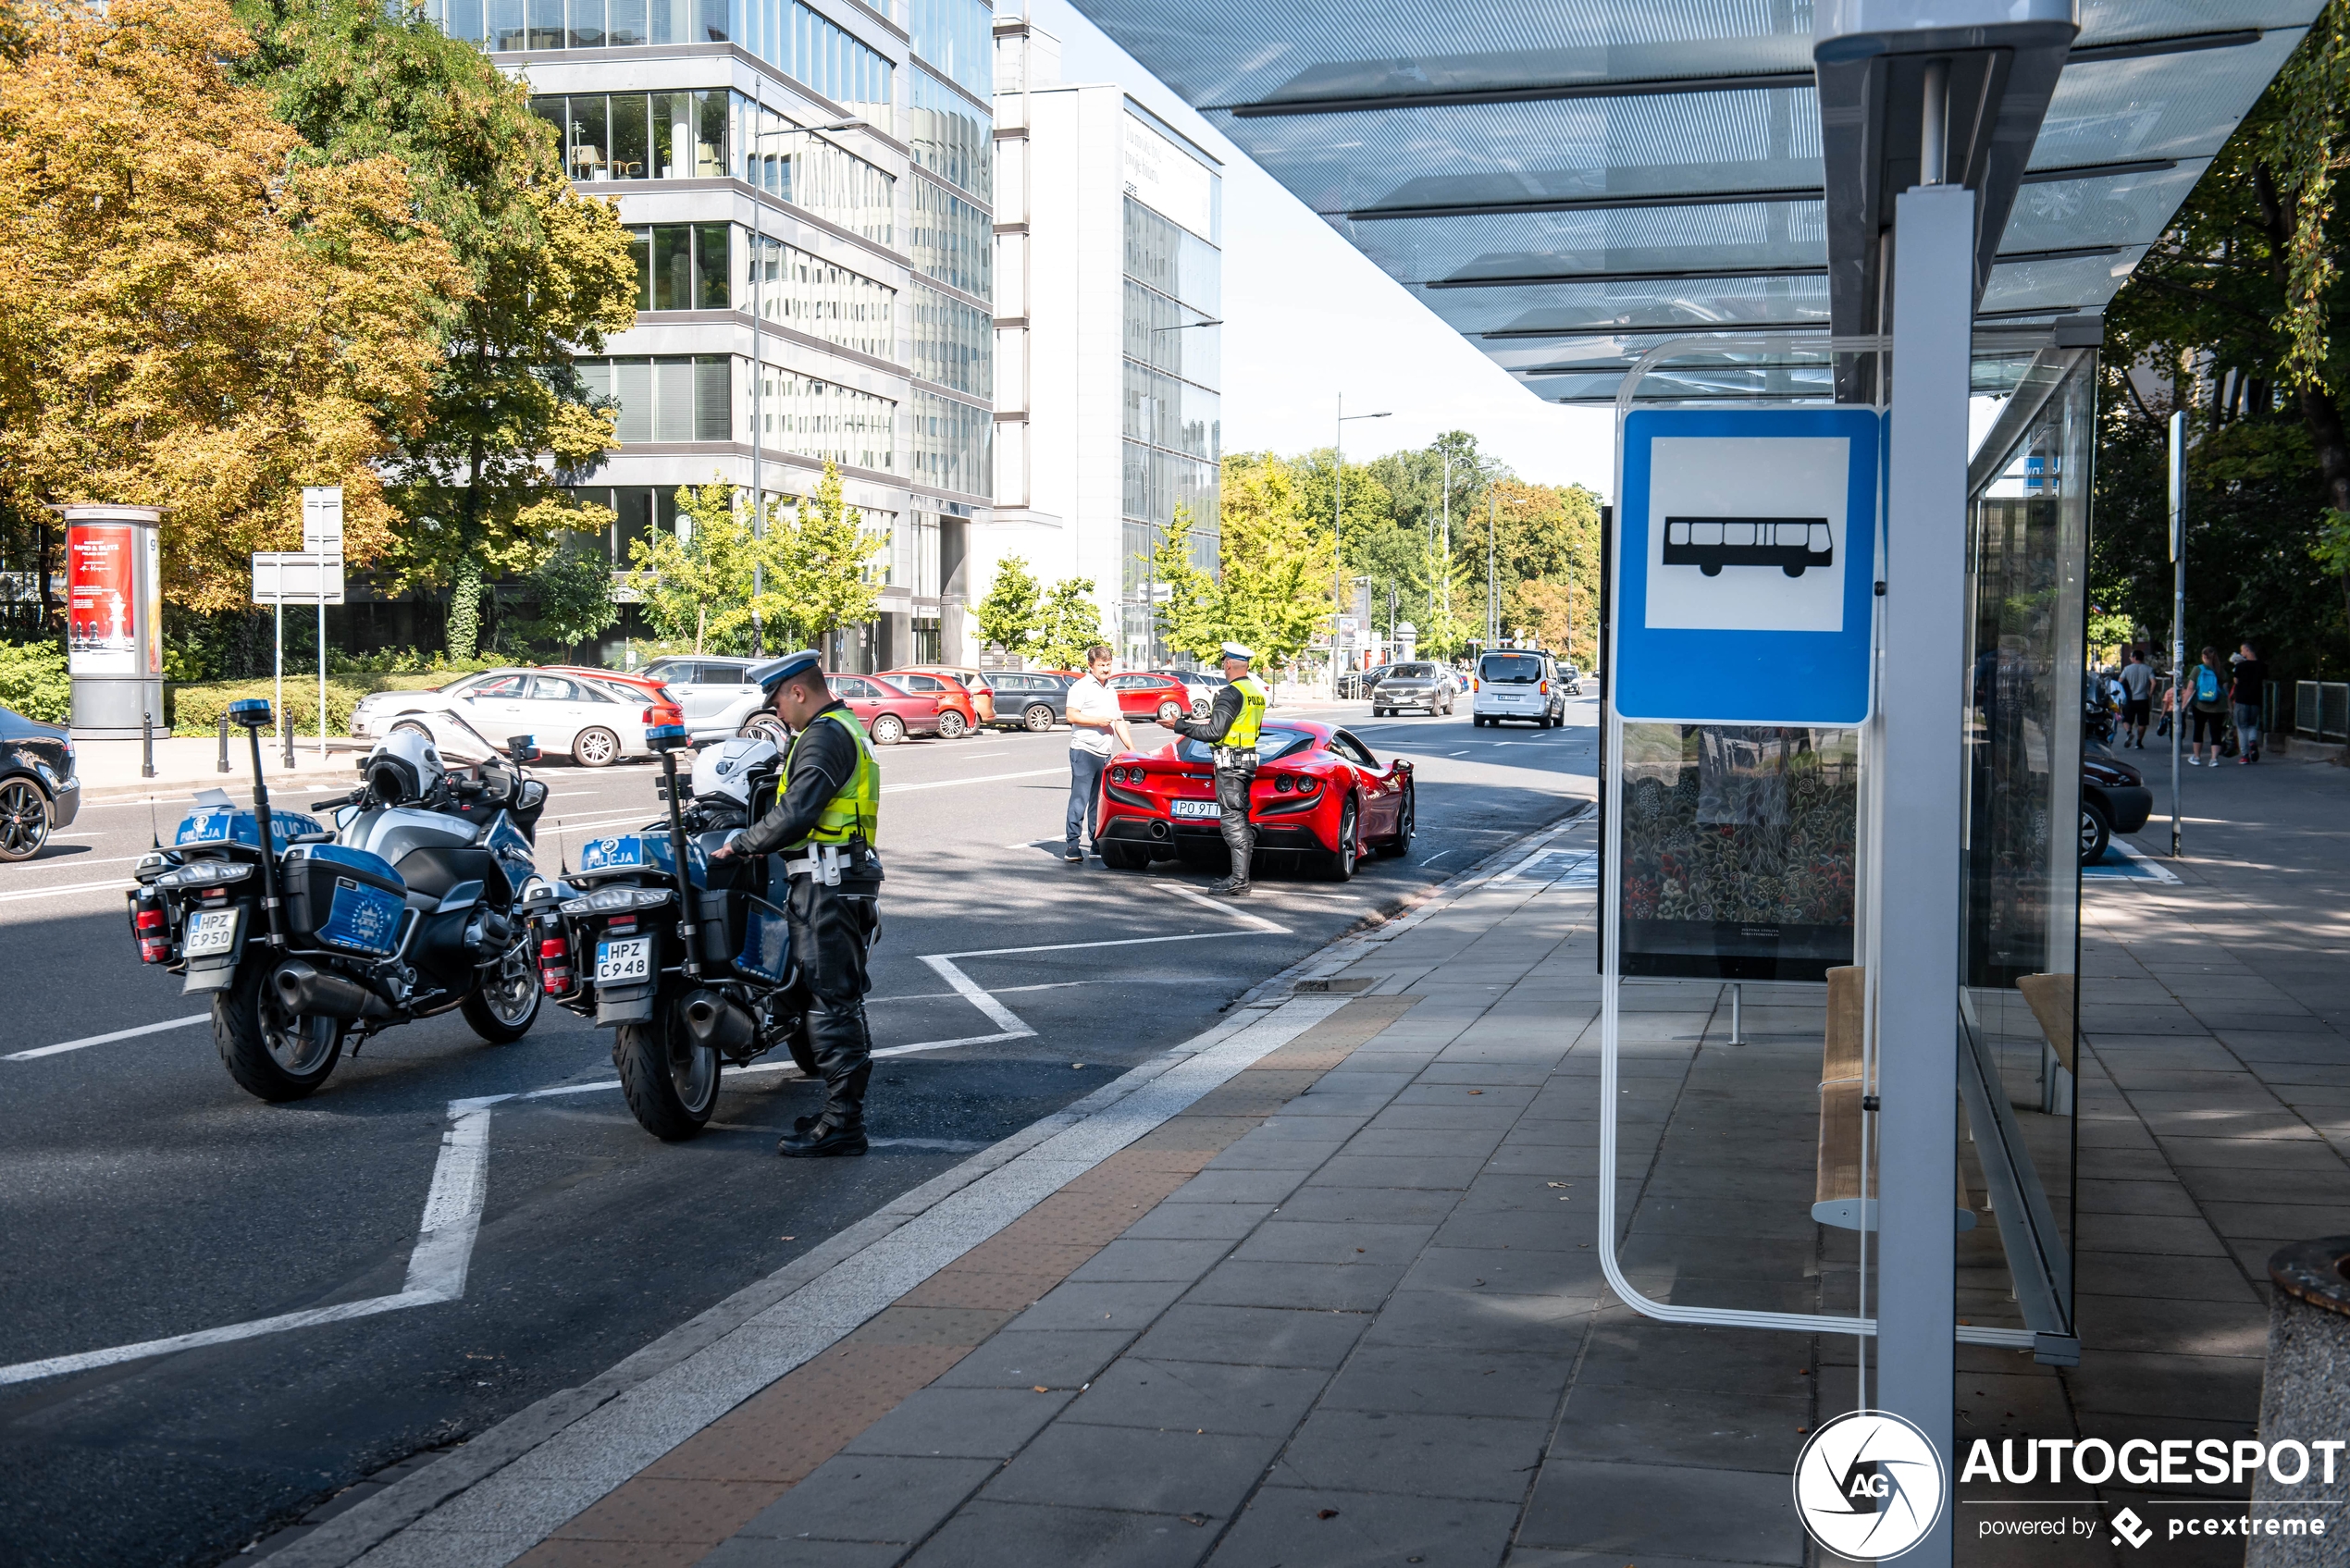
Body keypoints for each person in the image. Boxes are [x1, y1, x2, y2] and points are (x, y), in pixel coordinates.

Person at [711, 650, 882, 1157]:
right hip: (837, 878)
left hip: (828, 882)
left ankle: (843, 1125)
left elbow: (797, 812)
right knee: (831, 998)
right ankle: (838, 1113)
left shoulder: (825, 735)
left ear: (798, 692)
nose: (777, 714)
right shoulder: (841, 727)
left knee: (831, 1004)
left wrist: (740, 844)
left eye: (779, 703)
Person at [1170, 642, 1269, 896]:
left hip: (1231, 764)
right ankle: (1240, 878)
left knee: (1233, 822)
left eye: (1223, 661)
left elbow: (1215, 732)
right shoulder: (1254, 692)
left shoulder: (1231, 692)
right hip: (1245, 762)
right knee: (1240, 819)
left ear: (1227, 663)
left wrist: (1179, 725)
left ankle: (1239, 880)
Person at [1062, 644, 1127, 863]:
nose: (1106, 669)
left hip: (1104, 752)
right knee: (1079, 799)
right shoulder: (1081, 687)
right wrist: (1096, 721)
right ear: (1091, 665)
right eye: (1101, 665)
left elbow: (1118, 721)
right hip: (1084, 750)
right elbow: (1071, 715)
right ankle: (1072, 845)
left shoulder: (1110, 689)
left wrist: (1132, 749)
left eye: (1108, 665)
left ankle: (1096, 843)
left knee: (1098, 801)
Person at [2188, 645, 2230, 766]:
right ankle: (2214, 759)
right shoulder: (2221, 671)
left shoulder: (2198, 669)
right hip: (2218, 706)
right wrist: (2229, 708)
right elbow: (2225, 691)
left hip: (2200, 704)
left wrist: (2183, 704)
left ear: (2203, 656)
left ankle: (2196, 757)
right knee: (2215, 732)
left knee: (2198, 729)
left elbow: (2190, 688)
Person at [2232, 641, 2268, 764]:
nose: (2241, 653)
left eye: (2242, 650)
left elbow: (2236, 681)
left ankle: (2245, 755)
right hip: (2256, 700)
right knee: (2252, 725)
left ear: (2247, 650)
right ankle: (2252, 741)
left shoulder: (2241, 666)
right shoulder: (2262, 665)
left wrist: (2237, 664)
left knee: (2242, 728)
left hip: (2242, 700)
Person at [2118, 648, 2154, 749]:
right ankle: (2139, 742)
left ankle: (2129, 732)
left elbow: (2119, 682)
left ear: (2134, 657)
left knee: (2126, 719)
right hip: (2143, 699)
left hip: (2130, 699)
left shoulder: (2127, 669)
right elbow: (2154, 682)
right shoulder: (2148, 669)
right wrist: (2150, 693)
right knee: (2142, 722)